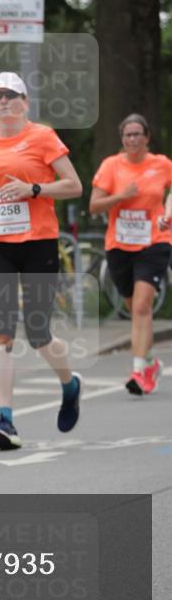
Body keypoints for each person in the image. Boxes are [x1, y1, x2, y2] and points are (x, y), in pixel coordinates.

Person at [0, 72, 83, 450]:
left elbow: (74, 185)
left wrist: (35, 189)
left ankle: (70, 383)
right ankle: (5, 419)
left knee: (38, 332)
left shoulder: (42, 137)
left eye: (11, 96)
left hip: (37, 243)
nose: (3, 102)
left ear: (25, 102)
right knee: (2, 330)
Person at [89, 114, 172, 395]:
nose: (132, 139)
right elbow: (94, 206)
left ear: (147, 137)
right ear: (122, 140)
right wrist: (121, 197)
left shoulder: (161, 165)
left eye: (137, 134)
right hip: (120, 245)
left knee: (141, 307)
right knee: (132, 307)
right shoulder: (111, 166)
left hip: (154, 243)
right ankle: (149, 360)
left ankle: (139, 371)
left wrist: (168, 213)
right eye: (128, 135)